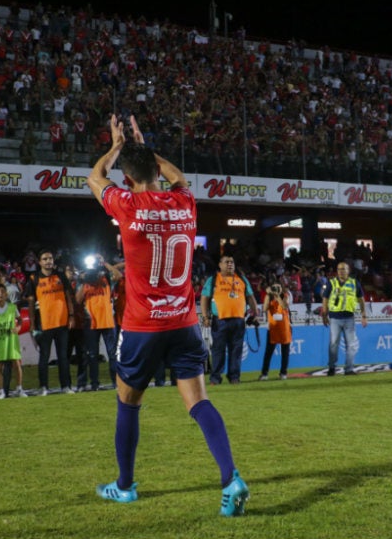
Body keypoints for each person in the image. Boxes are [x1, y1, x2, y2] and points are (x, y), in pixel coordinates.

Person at [87, 114, 248, 516]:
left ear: (128, 178)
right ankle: (231, 478)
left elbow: (94, 177)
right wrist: (146, 148)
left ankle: (125, 486)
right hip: (185, 323)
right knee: (199, 402)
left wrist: (117, 145)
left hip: (143, 326)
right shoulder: (184, 201)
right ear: (157, 169)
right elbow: (177, 176)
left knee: (128, 402)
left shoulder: (126, 204)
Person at [200, 255, 259, 385]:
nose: (230, 264)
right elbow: (204, 298)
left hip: (238, 320)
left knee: (236, 350)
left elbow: (250, 297)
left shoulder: (242, 279)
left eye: (232, 262)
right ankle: (215, 378)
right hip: (220, 320)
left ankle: (234, 377)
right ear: (220, 265)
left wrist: (255, 313)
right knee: (218, 350)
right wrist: (205, 316)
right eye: (226, 262)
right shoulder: (213, 279)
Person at [24, 249, 75, 395]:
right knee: (44, 357)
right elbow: (31, 303)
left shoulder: (60, 276)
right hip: (44, 324)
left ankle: (66, 386)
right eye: (45, 259)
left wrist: (71, 316)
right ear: (39, 262)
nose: (48, 261)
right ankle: (44, 387)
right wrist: (33, 324)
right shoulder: (34, 279)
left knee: (63, 357)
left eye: (50, 258)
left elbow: (68, 297)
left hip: (62, 322)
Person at [75, 254, 121, 391]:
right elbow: (77, 300)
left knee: (113, 354)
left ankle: (116, 382)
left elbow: (118, 275)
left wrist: (104, 262)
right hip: (91, 322)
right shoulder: (83, 281)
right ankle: (95, 383)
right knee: (92, 355)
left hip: (107, 321)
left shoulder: (105, 277)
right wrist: (84, 282)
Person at [322, 261, 368, 376]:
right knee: (333, 344)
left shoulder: (354, 283)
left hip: (349, 318)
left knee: (351, 345)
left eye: (343, 269)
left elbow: (361, 300)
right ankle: (332, 368)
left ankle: (349, 369)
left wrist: (364, 315)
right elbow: (325, 299)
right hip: (334, 318)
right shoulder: (331, 283)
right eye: (339, 269)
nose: (341, 271)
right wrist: (324, 315)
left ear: (348, 271)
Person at [0, 285, 26, 399]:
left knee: (17, 364)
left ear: (6, 294)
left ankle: (19, 388)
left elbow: (20, 320)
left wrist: (18, 328)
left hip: (11, 341)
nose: (0, 293)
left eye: (2, 291)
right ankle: (1, 391)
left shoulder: (12, 307)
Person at [258, 283, 292, 381]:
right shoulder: (269, 297)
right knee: (268, 353)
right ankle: (264, 374)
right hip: (273, 329)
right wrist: (268, 296)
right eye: (274, 288)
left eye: (278, 287)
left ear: (281, 288)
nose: (276, 289)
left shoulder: (285, 296)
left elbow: (284, 306)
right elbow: (264, 309)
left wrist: (277, 296)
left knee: (285, 352)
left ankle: (283, 373)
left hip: (284, 328)